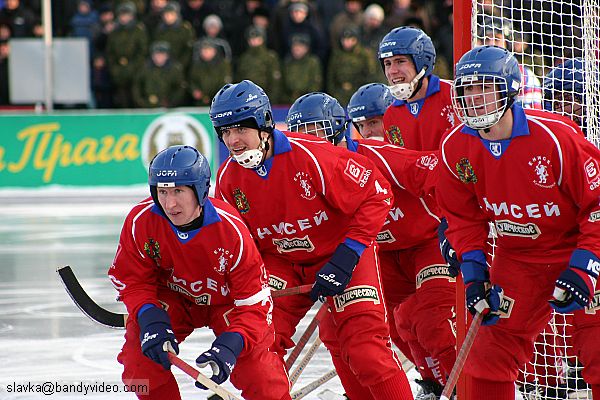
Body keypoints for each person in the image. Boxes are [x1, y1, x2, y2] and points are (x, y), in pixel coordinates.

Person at [211, 80, 414, 400]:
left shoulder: (313, 155)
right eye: (225, 131)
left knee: (365, 350)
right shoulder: (227, 179)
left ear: (264, 124)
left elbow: (377, 193)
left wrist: (347, 256)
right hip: (282, 263)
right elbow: (234, 243)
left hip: (342, 255)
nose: (233, 140)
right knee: (258, 343)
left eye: (240, 129)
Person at [437, 44, 600, 400]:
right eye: (467, 90)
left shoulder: (556, 137)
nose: (475, 99)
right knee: (487, 353)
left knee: (597, 349)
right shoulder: (453, 149)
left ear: (508, 91)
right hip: (517, 259)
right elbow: (462, 216)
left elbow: (597, 205)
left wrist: (586, 265)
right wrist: (475, 269)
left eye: (485, 88)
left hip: (577, 248)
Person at [289, 91, 458, 398]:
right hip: (379, 256)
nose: (310, 144)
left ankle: (462, 387)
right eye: (302, 136)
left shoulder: (376, 154)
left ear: (338, 131)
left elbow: (436, 171)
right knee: (335, 329)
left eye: (317, 134)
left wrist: (453, 223)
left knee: (431, 320)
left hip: (427, 245)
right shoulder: (305, 174)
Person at [108, 145, 291, 400]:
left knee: (259, 373)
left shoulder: (232, 231)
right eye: (162, 192)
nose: (170, 204)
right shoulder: (141, 221)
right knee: (139, 364)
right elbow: (132, 279)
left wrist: (233, 343)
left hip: (226, 304)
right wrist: (149, 315)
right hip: (174, 299)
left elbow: (255, 305)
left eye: (179, 191)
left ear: (201, 190)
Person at [378, 26, 456, 150]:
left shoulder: (455, 95)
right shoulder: (390, 116)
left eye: (400, 61)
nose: (392, 71)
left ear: (423, 62)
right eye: (388, 63)